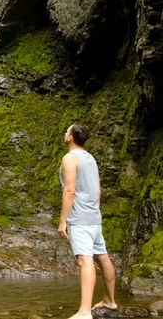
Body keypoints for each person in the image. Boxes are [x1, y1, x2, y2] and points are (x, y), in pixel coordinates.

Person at [58, 122, 118, 319]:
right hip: (93, 216)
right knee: (102, 257)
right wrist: (94, 211)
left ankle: (84, 312)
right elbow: (98, 190)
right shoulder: (90, 158)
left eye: (67, 131)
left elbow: (70, 190)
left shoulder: (70, 158)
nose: (65, 132)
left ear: (70, 137)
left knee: (85, 261)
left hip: (80, 218)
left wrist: (63, 221)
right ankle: (110, 301)